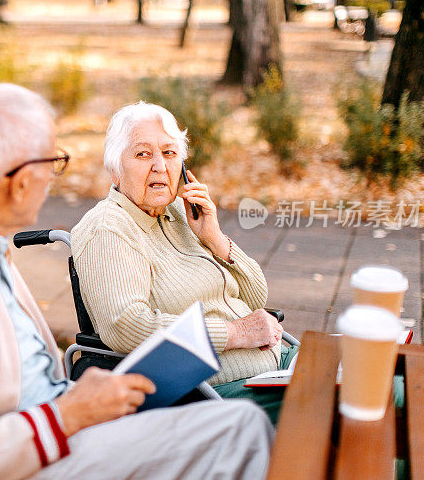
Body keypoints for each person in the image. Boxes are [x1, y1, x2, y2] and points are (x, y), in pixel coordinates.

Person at [0, 84, 274, 479]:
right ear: (22, 178)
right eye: (54, 163)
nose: (53, 178)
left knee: (239, 425)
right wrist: (69, 413)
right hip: (26, 457)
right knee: (242, 431)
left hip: (47, 428)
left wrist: (80, 400)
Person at [71, 101, 297, 424]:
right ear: (115, 169)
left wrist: (215, 238)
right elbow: (125, 324)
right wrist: (236, 333)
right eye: (143, 154)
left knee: (386, 386)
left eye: (169, 153)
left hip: (275, 364)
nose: (160, 167)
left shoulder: (179, 213)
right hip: (212, 391)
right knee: (345, 408)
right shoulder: (109, 227)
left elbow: (256, 297)